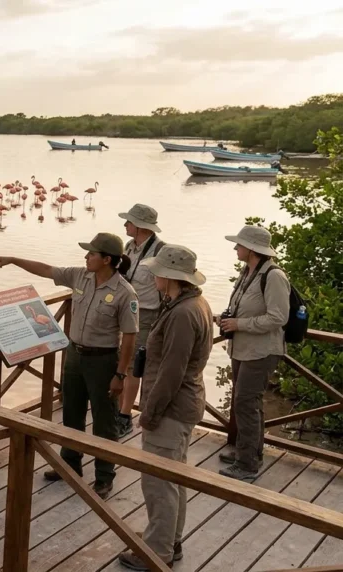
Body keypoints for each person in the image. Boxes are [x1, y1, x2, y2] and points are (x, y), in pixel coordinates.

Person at [0, 233, 138, 499]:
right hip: (75, 355)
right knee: (71, 412)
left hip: (104, 361)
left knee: (104, 422)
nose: (86, 257)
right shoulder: (79, 276)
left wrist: (120, 374)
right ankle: (69, 465)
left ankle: (105, 476)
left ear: (107, 259)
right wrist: (13, 259)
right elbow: (47, 270)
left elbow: (129, 337)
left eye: (91, 254)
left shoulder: (125, 293)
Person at [116, 245, 212, 570]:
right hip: (185, 403)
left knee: (158, 482)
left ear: (170, 277)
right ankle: (170, 540)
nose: (152, 275)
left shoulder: (184, 313)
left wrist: (150, 412)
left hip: (171, 409)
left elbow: (172, 371)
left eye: (156, 271)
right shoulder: (189, 303)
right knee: (174, 477)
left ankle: (157, 553)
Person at [218, 225, 289, 481]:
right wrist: (227, 319)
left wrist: (240, 324)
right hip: (243, 348)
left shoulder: (273, 276)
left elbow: (278, 317)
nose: (235, 247)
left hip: (261, 352)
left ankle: (247, 465)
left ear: (251, 248)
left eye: (239, 244)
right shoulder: (248, 271)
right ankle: (248, 452)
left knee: (246, 403)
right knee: (246, 402)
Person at [115, 204, 166, 438]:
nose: (125, 224)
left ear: (140, 226)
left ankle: (125, 416)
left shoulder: (160, 252)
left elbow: (167, 289)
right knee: (120, 363)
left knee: (134, 365)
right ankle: (116, 409)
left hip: (146, 315)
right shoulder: (129, 247)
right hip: (125, 310)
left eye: (129, 221)